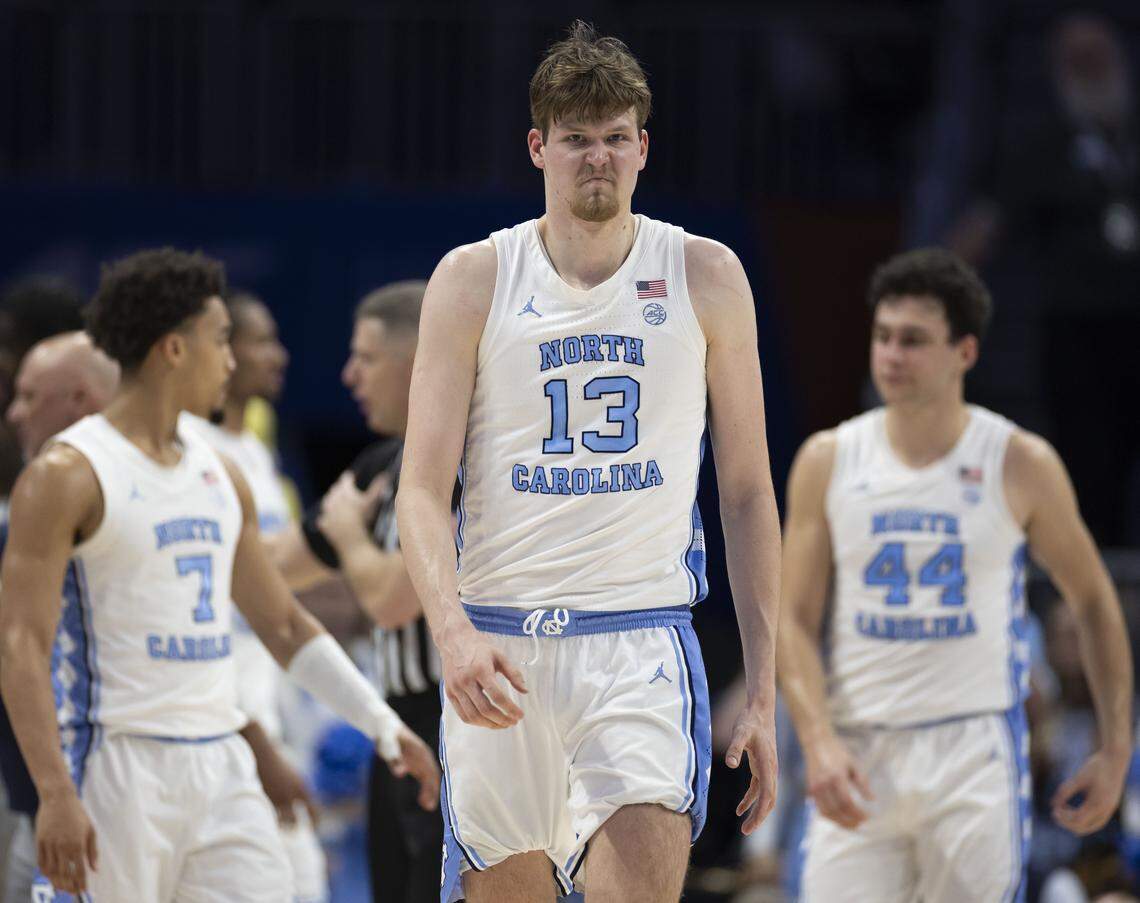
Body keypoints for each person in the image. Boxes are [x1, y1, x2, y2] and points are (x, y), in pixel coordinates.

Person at [396, 21, 781, 903]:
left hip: (637, 642)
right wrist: (452, 635)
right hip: (497, 644)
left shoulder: (706, 274)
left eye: (615, 137)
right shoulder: (473, 277)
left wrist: (763, 693)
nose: (596, 158)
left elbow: (748, 492)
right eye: (575, 138)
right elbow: (419, 490)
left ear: (644, 148)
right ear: (538, 147)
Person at [0, 247, 439, 901]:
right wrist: (55, 791)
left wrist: (382, 725)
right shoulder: (66, 474)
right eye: (221, 339)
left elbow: (283, 622)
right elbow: (21, 644)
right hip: (116, 762)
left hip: (220, 764)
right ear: (174, 350)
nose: (230, 361)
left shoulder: (221, 473)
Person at [777, 248, 1133, 902]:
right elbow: (792, 620)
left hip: (972, 752)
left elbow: (1093, 600)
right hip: (860, 748)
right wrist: (817, 740)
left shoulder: (1018, 462)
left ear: (964, 352)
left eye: (913, 340)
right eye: (883, 336)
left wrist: (1116, 749)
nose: (891, 354)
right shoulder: (827, 460)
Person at [271, 279, 447, 902]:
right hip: (395, 726)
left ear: (417, 360)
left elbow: (395, 599)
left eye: (365, 357)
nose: (349, 375)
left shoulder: (469, 459)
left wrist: (350, 541)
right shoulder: (380, 466)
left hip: (460, 728)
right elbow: (273, 566)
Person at [180, 289, 329, 903]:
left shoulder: (256, 457)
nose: (279, 355)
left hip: (273, 702)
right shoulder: (189, 447)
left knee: (304, 883)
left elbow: (277, 589)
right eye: (260, 340)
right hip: (224, 722)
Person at [0, 332, 118, 903]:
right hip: (48, 798)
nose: (13, 413)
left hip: (100, 794)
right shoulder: (26, 515)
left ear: (79, 400)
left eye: (29, 396)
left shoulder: (149, 495)